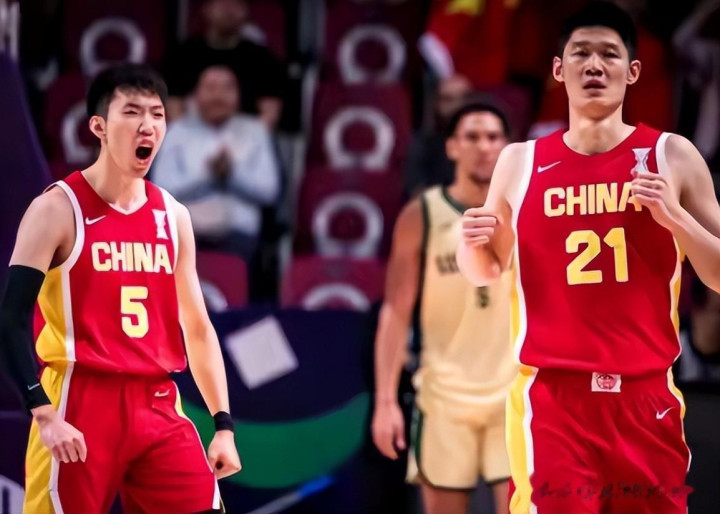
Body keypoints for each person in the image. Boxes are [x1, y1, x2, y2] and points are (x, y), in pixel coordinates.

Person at [457, 2, 720, 513]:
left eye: (609, 54)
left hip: (646, 398)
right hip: (554, 401)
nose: (594, 65)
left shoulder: (673, 155)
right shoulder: (519, 161)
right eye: (580, 53)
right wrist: (470, 243)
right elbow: (486, 271)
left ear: (633, 71)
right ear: (559, 69)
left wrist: (675, 219)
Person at [0, 63, 241, 513]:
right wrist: (43, 412)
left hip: (157, 400)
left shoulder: (173, 216)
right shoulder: (56, 209)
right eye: (132, 112)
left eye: (157, 114)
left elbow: (197, 327)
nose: (147, 125)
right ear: (99, 127)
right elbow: (10, 318)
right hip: (80, 399)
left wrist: (223, 423)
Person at [372, 103, 515, 514]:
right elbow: (396, 311)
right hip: (443, 396)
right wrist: (385, 401)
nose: (483, 146)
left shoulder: (527, 210)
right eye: (472, 137)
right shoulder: (422, 214)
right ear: (452, 147)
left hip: (514, 393)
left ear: (507, 146)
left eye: (493, 137)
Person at [152, 64, 281, 263]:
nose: (218, 96)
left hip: (239, 234)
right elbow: (160, 191)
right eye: (211, 88)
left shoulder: (256, 132)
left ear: (238, 96)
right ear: (195, 95)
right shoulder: (176, 132)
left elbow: (269, 191)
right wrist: (207, 176)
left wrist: (233, 175)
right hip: (186, 233)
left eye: (227, 88)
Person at [163, 0, 284, 128]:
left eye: (236, 4)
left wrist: (250, 137)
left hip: (246, 134)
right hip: (191, 133)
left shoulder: (263, 58)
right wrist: (191, 137)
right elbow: (173, 106)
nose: (228, 11)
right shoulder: (182, 54)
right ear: (207, 9)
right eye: (222, 3)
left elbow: (269, 113)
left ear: (246, 11)